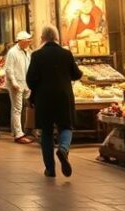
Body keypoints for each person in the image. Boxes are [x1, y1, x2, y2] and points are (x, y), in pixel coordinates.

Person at [26, 25, 83, 178]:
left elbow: (30, 79)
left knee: (46, 132)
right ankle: (63, 149)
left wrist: (37, 89)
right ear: (56, 37)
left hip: (43, 98)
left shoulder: (37, 55)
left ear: (43, 38)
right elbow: (77, 74)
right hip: (63, 97)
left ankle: (50, 169)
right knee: (66, 126)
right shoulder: (66, 53)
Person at [4, 31, 34, 144]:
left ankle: (19, 131)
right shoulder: (12, 52)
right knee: (17, 109)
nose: (29, 42)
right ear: (21, 41)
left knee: (22, 108)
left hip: (25, 84)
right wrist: (13, 82)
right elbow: (9, 69)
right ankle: (18, 134)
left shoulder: (27, 52)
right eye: (27, 41)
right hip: (16, 85)